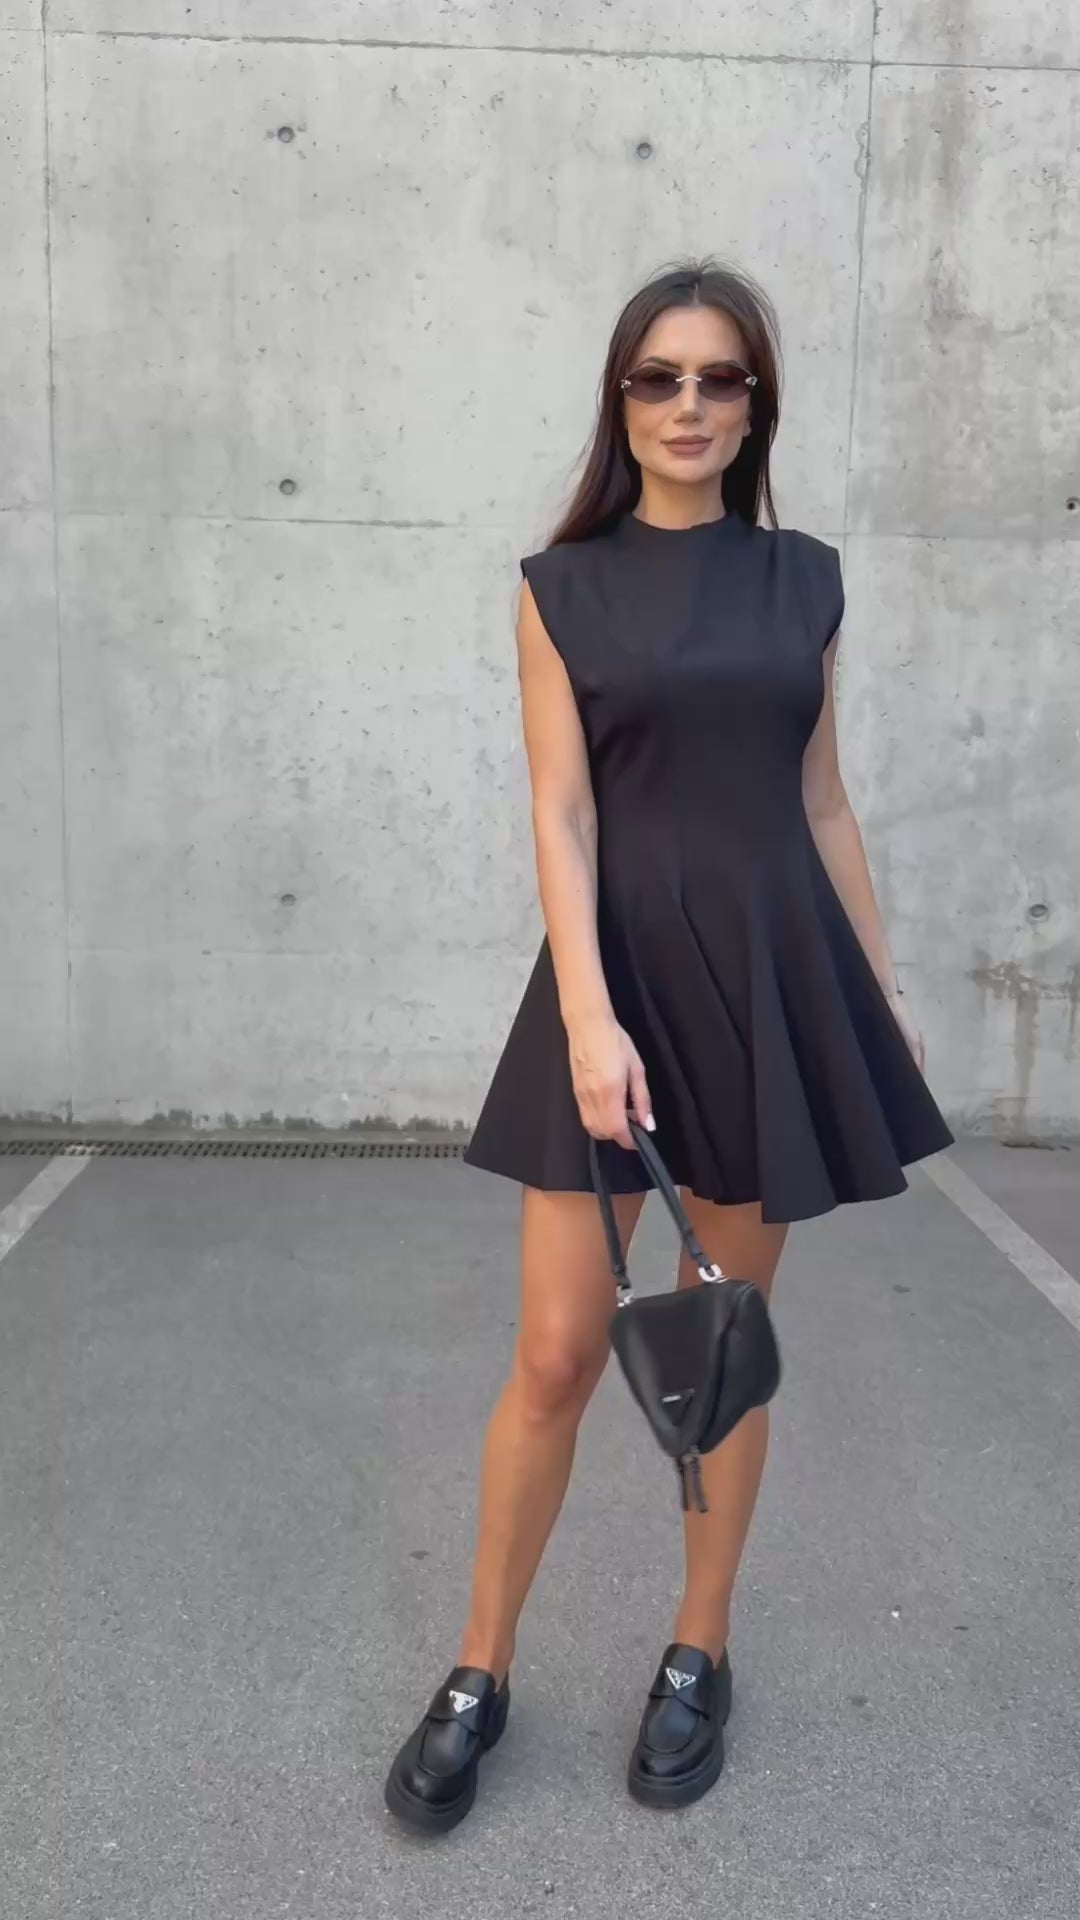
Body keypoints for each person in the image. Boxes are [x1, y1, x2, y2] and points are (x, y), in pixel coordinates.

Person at [384, 258, 954, 1831]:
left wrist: (879, 991)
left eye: (718, 379)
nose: (688, 404)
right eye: (659, 377)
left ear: (754, 404)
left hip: (770, 988)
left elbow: (820, 801)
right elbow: (562, 812)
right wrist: (588, 1014)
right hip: (614, 981)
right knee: (558, 1355)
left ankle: (700, 1651)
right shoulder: (561, 588)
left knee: (722, 1352)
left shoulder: (805, 582)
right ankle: (481, 1667)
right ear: (621, 401)